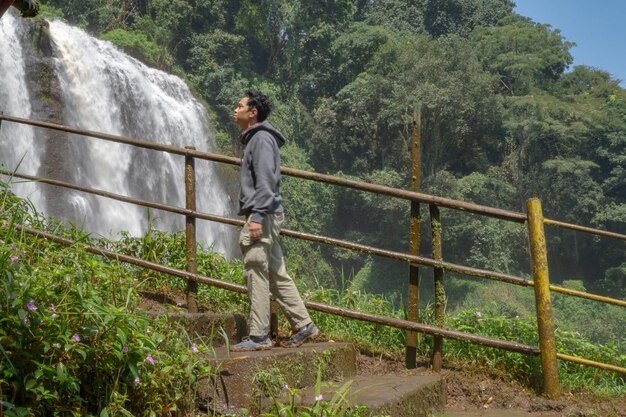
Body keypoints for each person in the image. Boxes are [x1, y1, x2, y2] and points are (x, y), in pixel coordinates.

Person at [231, 90, 319, 352]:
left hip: (263, 214)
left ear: (253, 112)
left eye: (240, 106)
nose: (235, 110)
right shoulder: (259, 140)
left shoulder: (260, 140)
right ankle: (304, 325)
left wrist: (256, 217)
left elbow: (266, 181)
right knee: (275, 271)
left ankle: (258, 335)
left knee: (255, 267)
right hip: (267, 213)